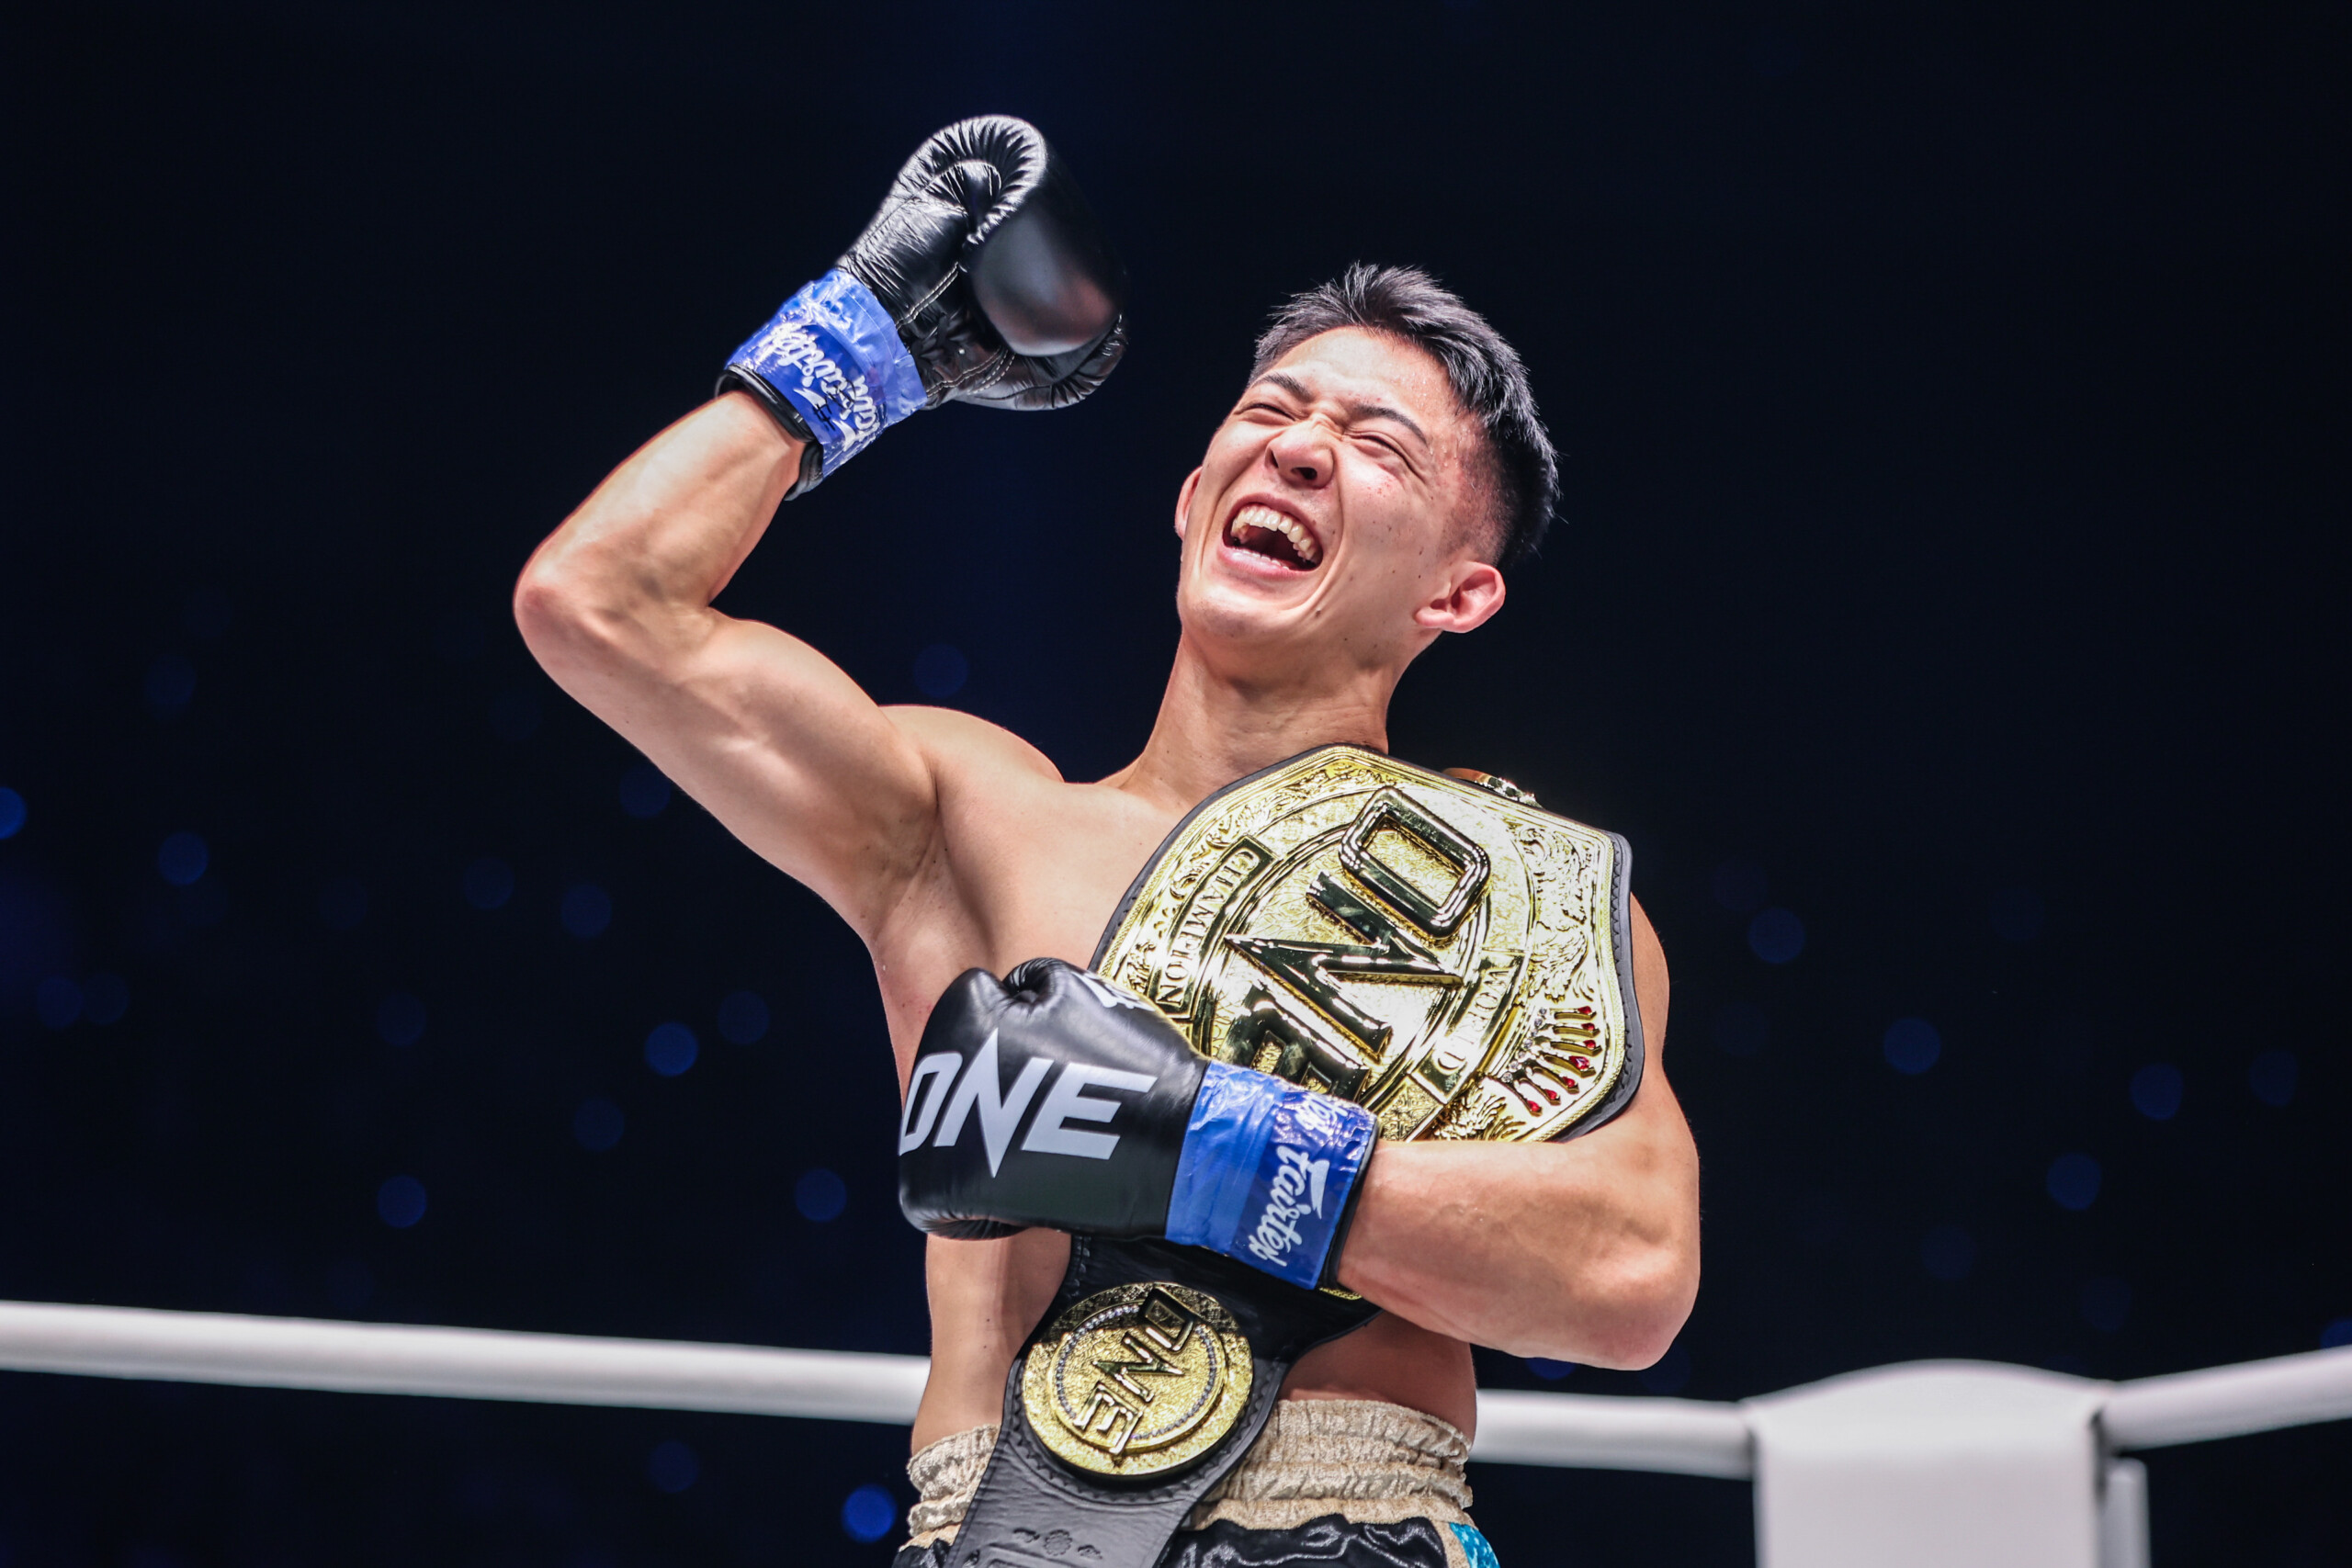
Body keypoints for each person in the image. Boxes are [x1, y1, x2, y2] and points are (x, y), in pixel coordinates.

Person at [515, 118, 1699, 1568]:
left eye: (1376, 443)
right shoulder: (967, 820)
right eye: (1272, 411)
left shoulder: (1523, 889)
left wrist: (1191, 1144)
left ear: (1458, 597)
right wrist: (869, 340)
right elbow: (596, 605)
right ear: (1196, 495)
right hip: (998, 1537)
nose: (1304, 449)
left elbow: (1631, 1277)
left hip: (1350, 1527)